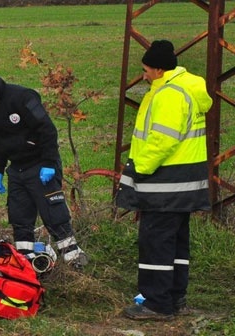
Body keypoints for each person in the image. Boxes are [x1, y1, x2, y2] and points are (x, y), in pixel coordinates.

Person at [116, 40, 212, 321]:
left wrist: (138, 169)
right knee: (177, 244)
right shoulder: (186, 88)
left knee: (155, 243)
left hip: (164, 183)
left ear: (158, 69)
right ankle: (175, 298)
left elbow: (162, 140)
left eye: (145, 69)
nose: (143, 75)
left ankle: (156, 304)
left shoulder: (169, 95)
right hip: (185, 182)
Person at [0, 66, 88, 269]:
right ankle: (27, 263)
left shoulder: (22, 97)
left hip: (40, 164)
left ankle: (74, 260)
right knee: (20, 218)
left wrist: (48, 163)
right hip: (17, 168)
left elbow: (47, 130)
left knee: (54, 215)